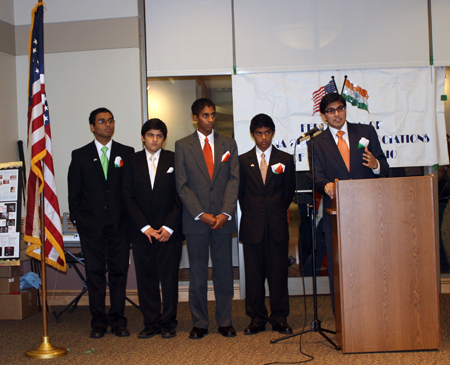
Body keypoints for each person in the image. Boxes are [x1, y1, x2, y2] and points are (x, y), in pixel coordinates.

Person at [310, 93, 389, 311]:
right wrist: (325, 185)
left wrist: (375, 165)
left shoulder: (365, 132)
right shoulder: (317, 142)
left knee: (371, 266)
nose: (337, 114)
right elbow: (315, 176)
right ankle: (343, 322)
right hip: (337, 215)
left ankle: (375, 314)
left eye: (340, 108)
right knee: (340, 269)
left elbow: (384, 166)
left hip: (368, 212)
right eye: (331, 111)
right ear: (324, 116)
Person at [175, 98, 239, 339]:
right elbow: (182, 185)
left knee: (224, 273)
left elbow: (234, 180)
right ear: (195, 118)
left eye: (213, 115)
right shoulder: (183, 145)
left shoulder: (228, 144)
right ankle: (200, 323)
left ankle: (225, 321)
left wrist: (225, 213)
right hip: (196, 221)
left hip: (223, 220)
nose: (210, 120)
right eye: (205, 115)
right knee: (198, 274)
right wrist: (201, 214)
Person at [68, 107, 134, 338]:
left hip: (120, 227)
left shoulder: (127, 152)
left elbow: (130, 191)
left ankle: (118, 320)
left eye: (111, 120)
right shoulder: (80, 155)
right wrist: (80, 220)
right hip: (92, 227)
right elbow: (73, 195)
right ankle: (98, 321)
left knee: (119, 273)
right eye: (102, 121)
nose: (108, 124)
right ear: (92, 126)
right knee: (95, 274)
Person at [122, 119, 183, 339]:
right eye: (150, 135)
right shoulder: (131, 161)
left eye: (159, 136)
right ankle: (151, 322)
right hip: (142, 233)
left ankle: (168, 321)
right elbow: (127, 197)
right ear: (143, 137)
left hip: (170, 233)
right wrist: (145, 227)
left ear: (164, 138)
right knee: (146, 278)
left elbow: (181, 197)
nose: (154, 139)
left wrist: (169, 226)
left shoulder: (175, 160)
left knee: (169, 279)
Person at [238, 114, 295, 335]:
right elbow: (241, 194)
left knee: (278, 273)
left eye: (267, 133)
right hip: (252, 226)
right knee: (253, 275)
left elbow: (288, 192)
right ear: (253, 134)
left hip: (277, 226)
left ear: (273, 133)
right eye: (259, 133)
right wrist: (256, 212)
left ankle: (279, 317)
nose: (263, 138)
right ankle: (257, 318)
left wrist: (273, 210)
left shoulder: (286, 159)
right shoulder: (243, 161)